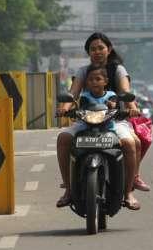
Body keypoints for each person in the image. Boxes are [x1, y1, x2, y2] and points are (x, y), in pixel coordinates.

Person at [57, 32, 144, 210]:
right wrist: (64, 108)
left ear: (109, 49)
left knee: (129, 143)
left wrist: (132, 107)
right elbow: (72, 93)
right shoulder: (83, 71)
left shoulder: (118, 70)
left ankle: (128, 192)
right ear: (88, 52)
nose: (97, 52)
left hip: (114, 120)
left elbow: (126, 92)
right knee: (63, 138)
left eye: (100, 48)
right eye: (92, 49)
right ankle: (68, 189)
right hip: (86, 119)